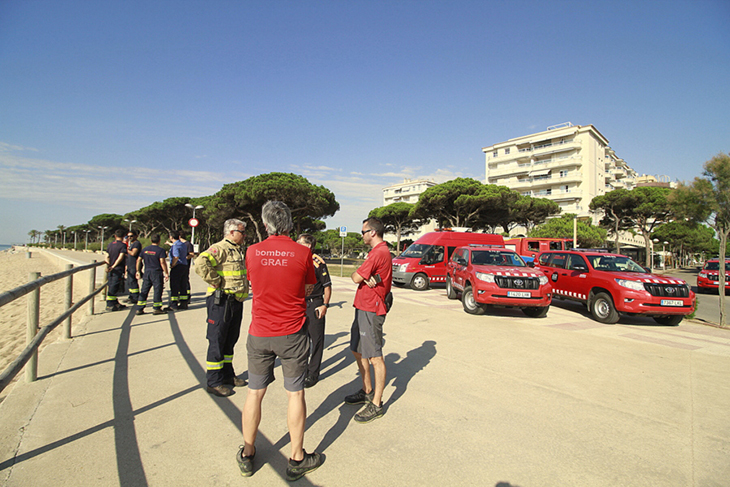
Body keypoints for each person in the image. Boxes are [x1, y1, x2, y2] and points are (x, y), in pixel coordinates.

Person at [238, 201, 322, 481]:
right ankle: (297, 458)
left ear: (264, 224)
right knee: (295, 394)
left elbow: (253, 282)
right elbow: (309, 287)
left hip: (259, 332)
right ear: (290, 224)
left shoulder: (251, 252)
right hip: (292, 334)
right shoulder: (302, 252)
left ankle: (248, 452)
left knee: (254, 392)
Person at [344, 217, 393, 423]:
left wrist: (361, 275)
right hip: (362, 307)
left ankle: (377, 403)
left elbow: (354, 277)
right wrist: (364, 275)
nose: (361, 235)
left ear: (373, 232)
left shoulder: (379, 252)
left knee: (374, 357)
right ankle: (367, 390)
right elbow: (358, 276)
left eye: (363, 231)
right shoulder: (376, 253)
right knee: (357, 349)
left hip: (372, 309)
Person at [195, 219, 249, 397]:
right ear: (232, 232)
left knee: (230, 340)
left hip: (235, 301)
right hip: (221, 302)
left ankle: (227, 375)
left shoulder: (237, 249)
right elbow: (200, 263)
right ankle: (214, 381)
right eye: (242, 231)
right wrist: (217, 282)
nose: (245, 235)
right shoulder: (220, 248)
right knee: (217, 341)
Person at [296, 233, 332, 388]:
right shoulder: (296, 259)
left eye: (299, 241)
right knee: (301, 340)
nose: (296, 243)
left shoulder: (318, 263)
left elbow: (327, 286)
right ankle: (302, 370)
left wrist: (325, 305)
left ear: (308, 245)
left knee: (316, 340)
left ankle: (313, 373)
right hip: (299, 305)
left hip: (315, 304)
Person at [135, 234, 170, 315]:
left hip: (147, 272)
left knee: (144, 290)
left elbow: (138, 260)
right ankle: (156, 308)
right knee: (157, 290)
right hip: (156, 272)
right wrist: (166, 273)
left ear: (151, 240)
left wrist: (138, 271)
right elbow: (162, 262)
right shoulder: (160, 250)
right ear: (159, 241)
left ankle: (139, 308)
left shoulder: (145, 249)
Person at [105, 229, 128, 312]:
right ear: (123, 236)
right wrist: (114, 266)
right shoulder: (123, 245)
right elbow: (121, 257)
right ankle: (110, 304)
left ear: (115, 236)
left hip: (111, 269)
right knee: (114, 286)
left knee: (111, 284)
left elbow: (107, 256)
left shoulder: (110, 245)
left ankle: (115, 302)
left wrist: (109, 265)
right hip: (117, 269)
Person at [168, 231, 188, 310]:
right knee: (183, 285)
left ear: (171, 237)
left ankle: (173, 304)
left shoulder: (175, 246)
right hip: (184, 266)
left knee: (174, 285)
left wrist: (172, 265)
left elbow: (176, 256)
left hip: (177, 266)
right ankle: (184, 303)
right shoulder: (183, 244)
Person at [124, 231, 142, 304]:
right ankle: (131, 296)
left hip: (134, 266)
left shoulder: (136, 244)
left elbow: (133, 253)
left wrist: (127, 250)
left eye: (131, 236)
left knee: (133, 281)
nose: (129, 238)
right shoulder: (131, 244)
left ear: (136, 236)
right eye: (128, 236)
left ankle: (135, 297)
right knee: (129, 282)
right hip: (130, 265)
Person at [180, 232, 195, 307]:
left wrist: (184, 258)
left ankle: (187, 296)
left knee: (185, 281)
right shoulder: (179, 244)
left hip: (185, 265)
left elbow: (192, 254)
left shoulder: (188, 244)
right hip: (179, 266)